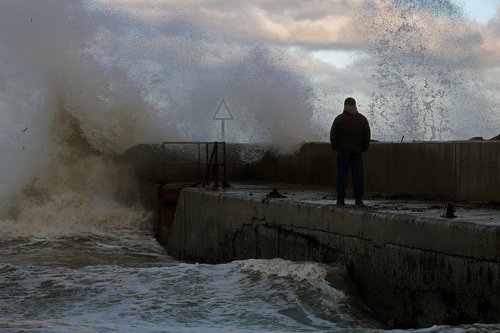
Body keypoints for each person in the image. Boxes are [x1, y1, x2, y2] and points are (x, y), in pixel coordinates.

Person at [330, 97, 371, 206]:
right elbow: (367, 137)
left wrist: (336, 148)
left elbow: (333, 137)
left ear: (345, 106)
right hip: (357, 151)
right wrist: (363, 148)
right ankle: (358, 199)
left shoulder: (339, 119)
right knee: (358, 175)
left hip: (343, 151)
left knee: (342, 175)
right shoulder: (362, 119)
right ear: (355, 105)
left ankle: (340, 199)